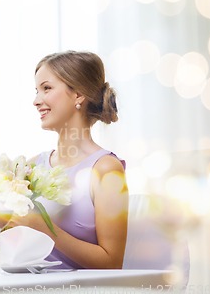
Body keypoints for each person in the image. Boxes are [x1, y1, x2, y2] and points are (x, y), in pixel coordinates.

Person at [8, 50, 128, 269]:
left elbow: (112, 262)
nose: (36, 101)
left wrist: (45, 229)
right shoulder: (32, 166)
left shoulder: (105, 169)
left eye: (47, 88)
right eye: (37, 91)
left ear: (78, 95)